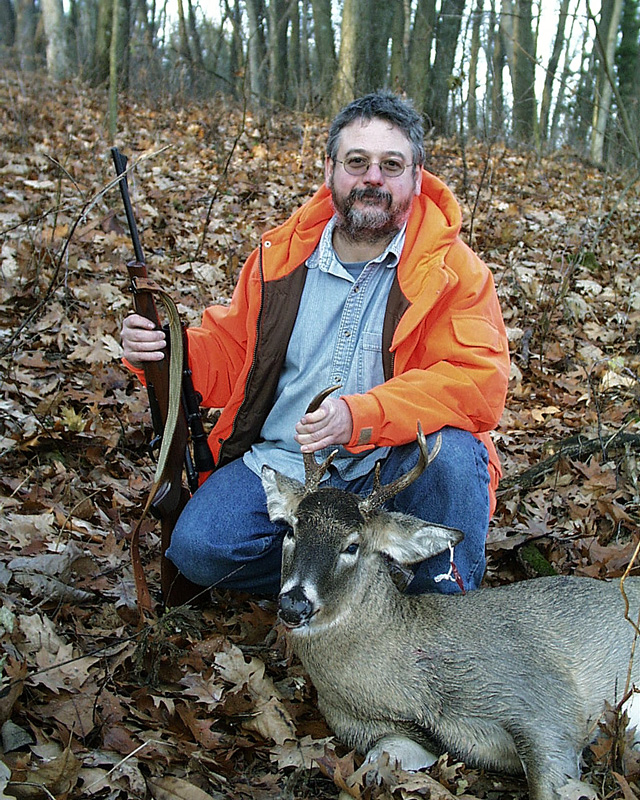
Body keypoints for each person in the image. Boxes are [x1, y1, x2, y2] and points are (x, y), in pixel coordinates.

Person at [121, 91, 510, 598]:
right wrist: (163, 352)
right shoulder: (279, 259)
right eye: (357, 161)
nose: (373, 177)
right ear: (330, 170)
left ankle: (437, 621)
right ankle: (354, 578)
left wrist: (364, 415)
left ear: (417, 178)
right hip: (284, 465)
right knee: (200, 550)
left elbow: (476, 383)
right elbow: (231, 354)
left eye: (391, 165)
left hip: (387, 470)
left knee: (453, 455)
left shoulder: (455, 273)